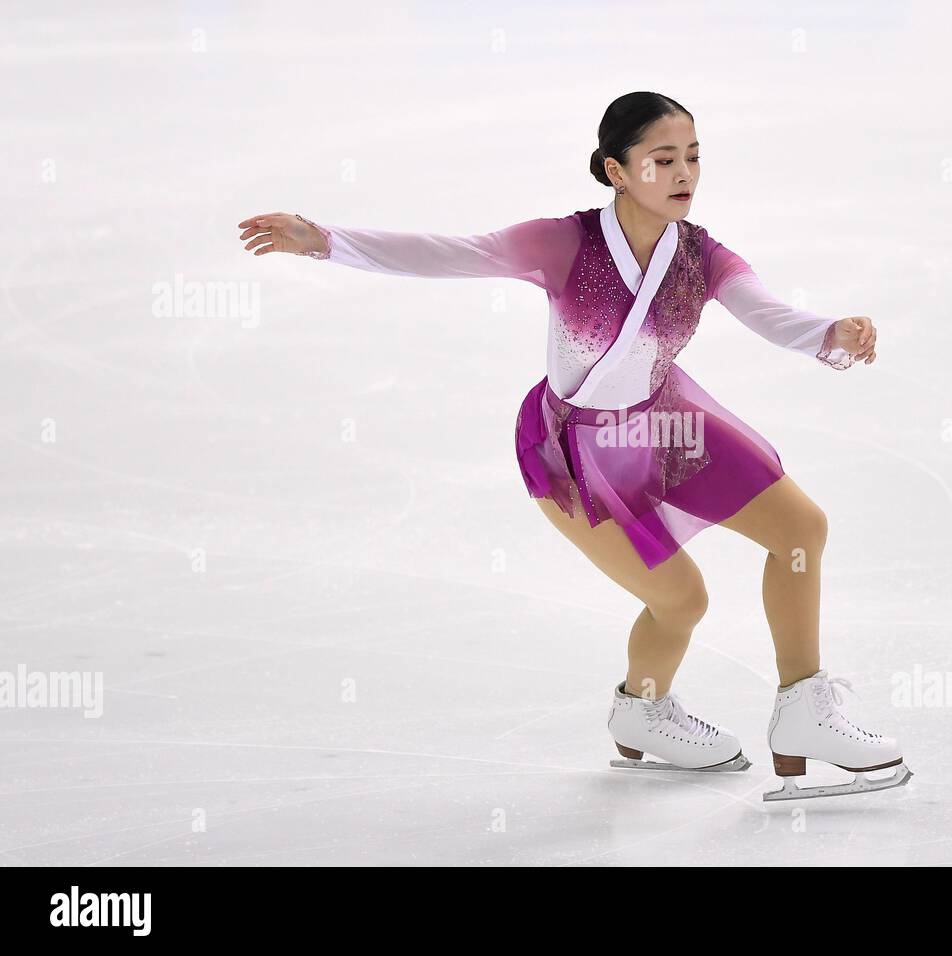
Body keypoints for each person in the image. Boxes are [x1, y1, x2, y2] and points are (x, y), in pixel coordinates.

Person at [237, 92, 911, 801]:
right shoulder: (563, 243)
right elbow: (453, 255)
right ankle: (642, 710)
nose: (684, 172)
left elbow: (768, 312)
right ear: (618, 171)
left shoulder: (701, 255)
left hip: (663, 423)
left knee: (801, 528)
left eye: (693, 156)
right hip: (575, 452)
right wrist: (326, 240)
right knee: (682, 602)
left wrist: (830, 333)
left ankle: (803, 710)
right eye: (663, 159)